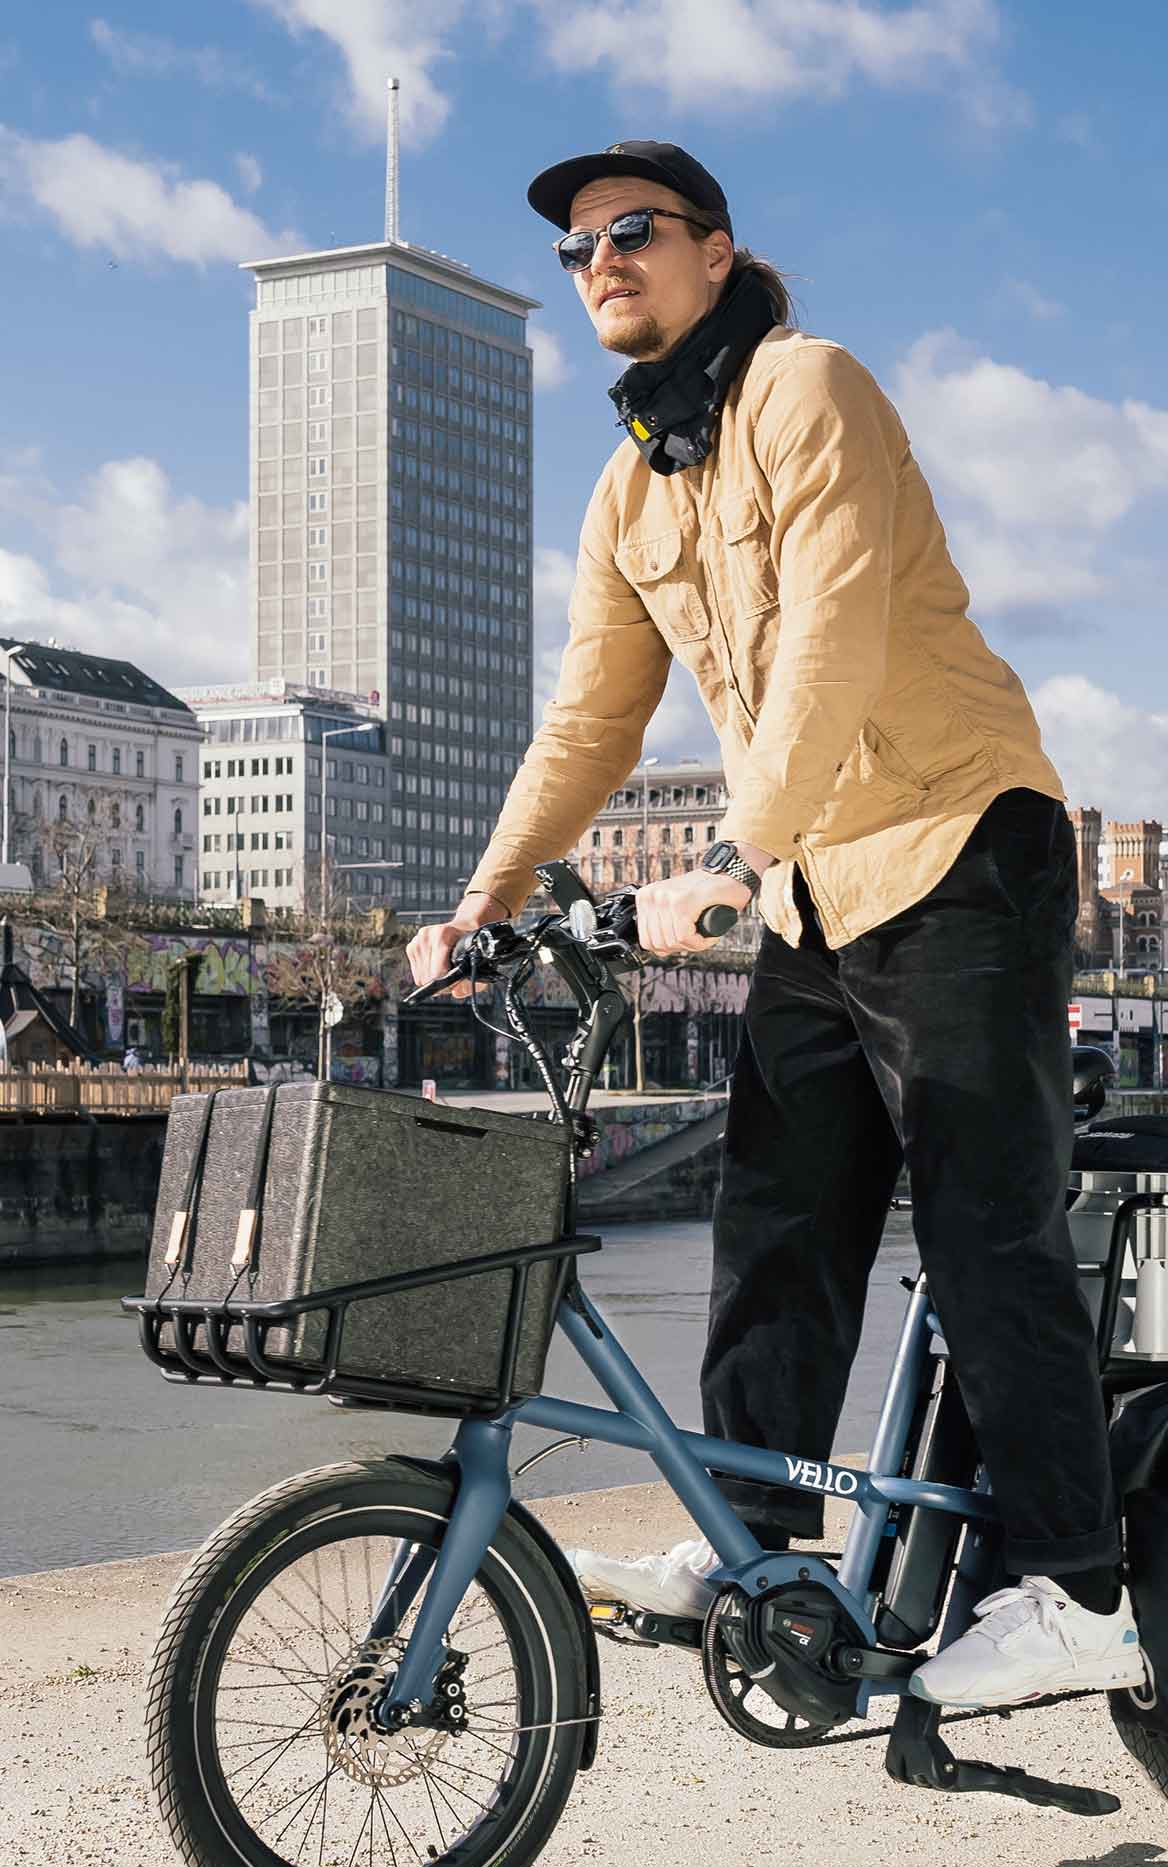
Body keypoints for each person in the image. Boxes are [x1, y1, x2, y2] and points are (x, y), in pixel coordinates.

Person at [438, 140, 1132, 1709]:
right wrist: (482, 895)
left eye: (631, 231)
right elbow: (591, 722)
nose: (599, 260)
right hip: (818, 883)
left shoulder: (812, 391)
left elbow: (831, 637)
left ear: (716, 249)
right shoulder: (632, 485)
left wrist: (735, 856)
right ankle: (751, 1537)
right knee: (774, 1228)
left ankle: (1077, 1588)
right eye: (575, 250)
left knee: (983, 1222)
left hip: (959, 840)